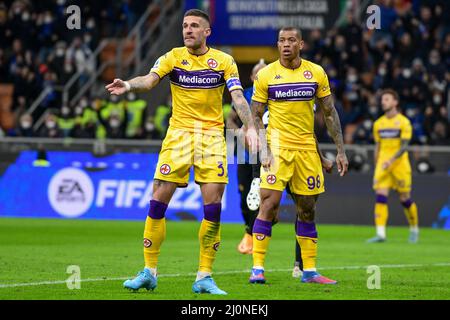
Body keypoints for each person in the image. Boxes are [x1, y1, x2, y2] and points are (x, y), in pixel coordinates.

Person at [105, 9, 257, 295]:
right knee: (157, 202)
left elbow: (237, 95)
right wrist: (127, 84)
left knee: (212, 209)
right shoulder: (172, 57)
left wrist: (250, 128)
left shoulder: (224, 61)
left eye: (195, 26)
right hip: (178, 137)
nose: (188, 30)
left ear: (207, 32)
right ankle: (149, 271)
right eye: (185, 25)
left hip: (212, 139)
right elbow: (149, 81)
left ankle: (204, 276)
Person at [248, 27, 348, 285]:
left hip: (306, 148)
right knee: (268, 205)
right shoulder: (266, 75)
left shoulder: (316, 72)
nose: (286, 44)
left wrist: (339, 150)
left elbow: (329, 113)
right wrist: (264, 149)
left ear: (301, 44)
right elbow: (256, 116)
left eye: (291, 40)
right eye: (281, 40)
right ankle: (257, 269)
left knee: (307, 210)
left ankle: (310, 271)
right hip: (277, 147)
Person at [367, 89, 419, 243]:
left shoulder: (404, 122)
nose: (383, 102)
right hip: (383, 165)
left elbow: (404, 146)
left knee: (404, 199)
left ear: (395, 102)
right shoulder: (378, 124)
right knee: (380, 196)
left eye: (387, 99)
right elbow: (377, 145)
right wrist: (377, 163)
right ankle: (381, 234)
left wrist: (391, 160)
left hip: (399, 165)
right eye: (383, 99)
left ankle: (414, 228)